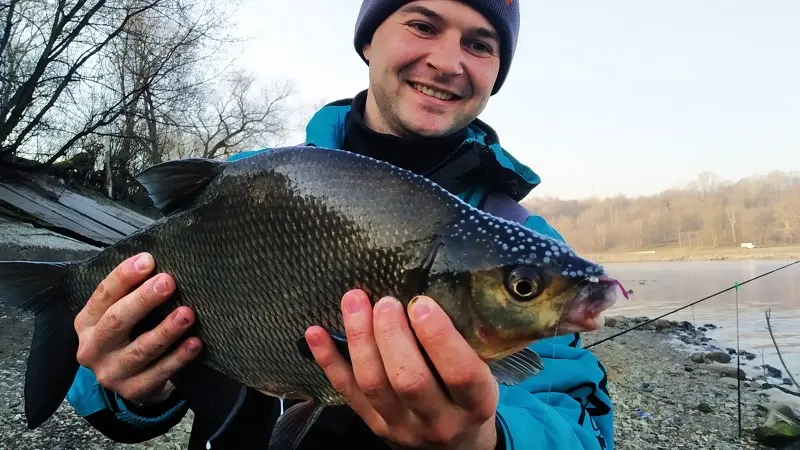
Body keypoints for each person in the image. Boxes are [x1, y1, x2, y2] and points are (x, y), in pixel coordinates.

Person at [65, 1, 615, 449]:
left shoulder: (528, 244)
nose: (449, 61)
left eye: (479, 44)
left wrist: (488, 440)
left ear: (497, 73)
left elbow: (581, 420)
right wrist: (131, 382)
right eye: (423, 25)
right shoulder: (251, 183)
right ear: (369, 40)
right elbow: (111, 377)